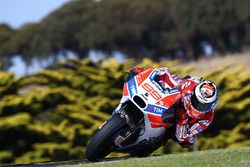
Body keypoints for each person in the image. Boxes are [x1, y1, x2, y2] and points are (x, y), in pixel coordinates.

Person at [128, 67, 218, 148]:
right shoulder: (188, 85)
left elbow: (183, 137)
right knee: (162, 80)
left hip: (181, 123)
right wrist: (154, 72)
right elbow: (169, 77)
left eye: (204, 105)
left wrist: (182, 120)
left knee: (187, 142)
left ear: (211, 105)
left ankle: (157, 140)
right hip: (172, 103)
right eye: (197, 102)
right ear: (194, 94)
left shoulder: (207, 119)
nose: (199, 107)